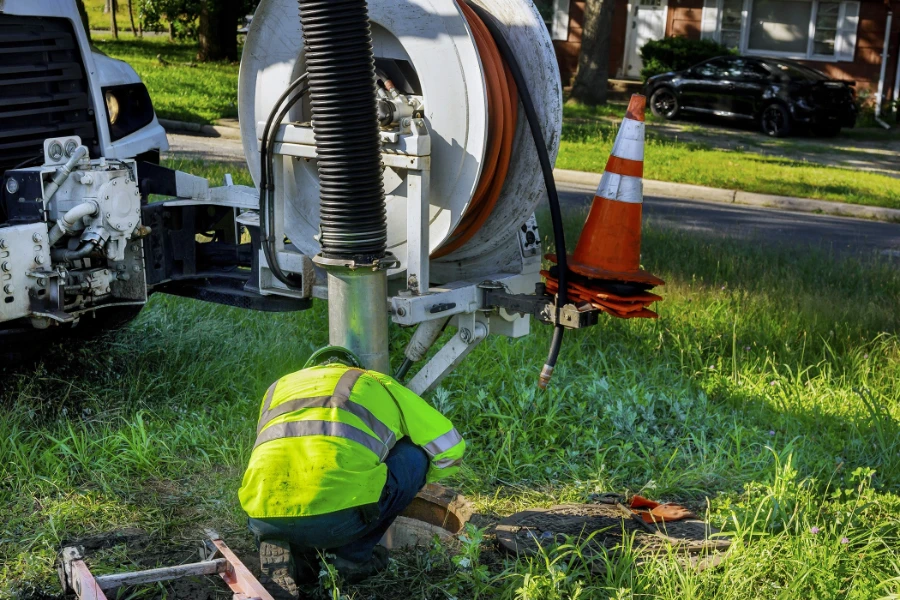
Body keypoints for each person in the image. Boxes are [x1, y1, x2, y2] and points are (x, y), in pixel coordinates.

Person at [238, 346, 465, 597]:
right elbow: (450, 447)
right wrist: (412, 481)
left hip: (261, 514)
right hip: (338, 519)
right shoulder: (372, 380)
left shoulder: (278, 388)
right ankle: (352, 557)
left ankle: (294, 556)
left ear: (310, 370)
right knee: (416, 454)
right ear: (353, 367)